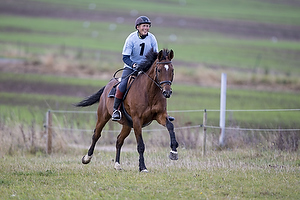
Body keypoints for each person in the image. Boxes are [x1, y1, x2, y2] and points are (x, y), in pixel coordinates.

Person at [112, 16, 158, 121]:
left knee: (158, 84)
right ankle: (116, 110)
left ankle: (161, 110)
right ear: (138, 27)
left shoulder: (152, 38)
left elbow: (155, 55)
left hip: (146, 67)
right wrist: (133, 65)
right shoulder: (131, 38)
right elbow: (125, 57)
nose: (146, 28)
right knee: (123, 85)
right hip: (131, 67)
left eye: (147, 26)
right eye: (144, 26)